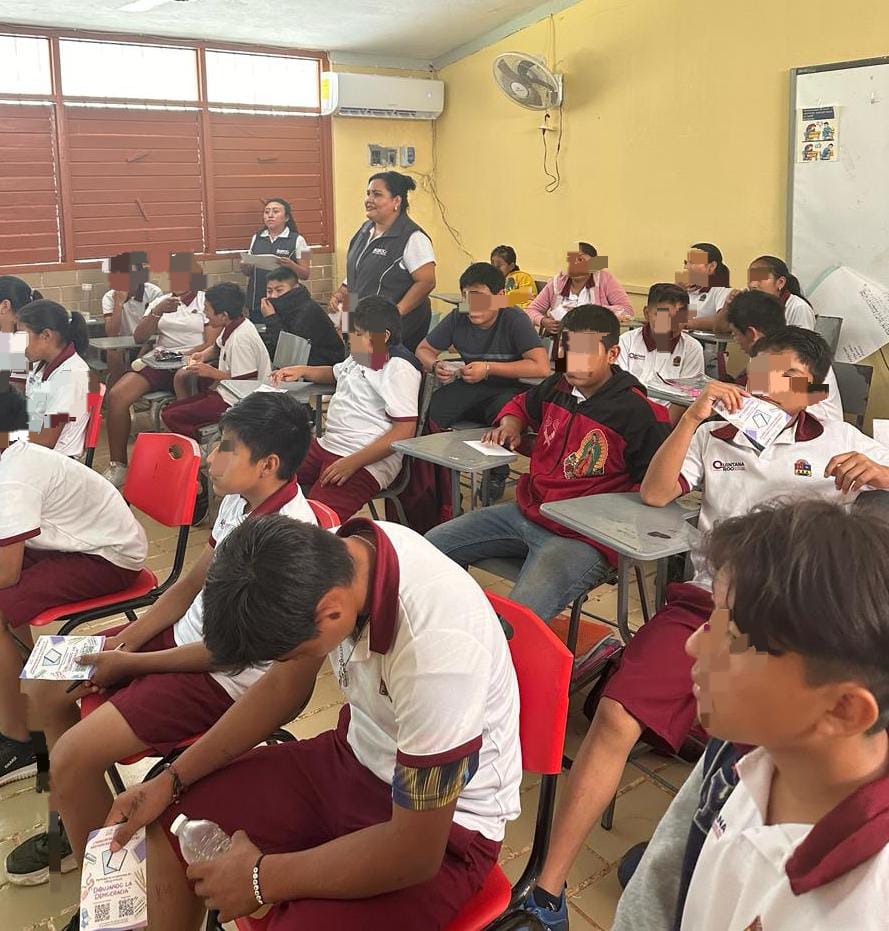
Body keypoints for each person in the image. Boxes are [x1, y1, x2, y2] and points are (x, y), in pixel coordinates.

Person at [520, 325, 889, 930]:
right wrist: (691, 418)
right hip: (708, 600)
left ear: (814, 390)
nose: (767, 390)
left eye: (787, 380)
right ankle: (547, 889)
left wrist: (880, 475)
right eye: (759, 376)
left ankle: (711, 839)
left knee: (756, 750)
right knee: (615, 715)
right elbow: (655, 493)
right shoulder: (718, 432)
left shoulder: (844, 442)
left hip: (798, 622)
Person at [97, 512, 522, 930]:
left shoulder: (439, 649)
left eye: (293, 653)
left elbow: (415, 852)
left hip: (447, 829)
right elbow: (281, 689)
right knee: (170, 821)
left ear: (331, 612)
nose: (291, 662)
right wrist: (171, 779)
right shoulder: (325, 559)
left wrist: (261, 879)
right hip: (352, 759)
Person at [5, 391, 316, 886]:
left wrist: (131, 664)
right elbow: (190, 584)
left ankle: (109, 888)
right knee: (45, 682)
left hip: (223, 679)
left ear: (268, 464)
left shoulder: (288, 539)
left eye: (226, 447)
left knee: (72, 755)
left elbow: (227, 653)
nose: (210, 458)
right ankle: (73, 815)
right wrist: (128, 639)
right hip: (181, 642)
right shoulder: (241, 502)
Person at [613, 501, 889, 931]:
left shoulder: (863, 908)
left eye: (732, 637)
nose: (693, 646)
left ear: (842, 709)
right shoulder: (739, 751)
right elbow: (660, 886)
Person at [426, 305, 669, 625]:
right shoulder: (558, 386)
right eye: (565, 350)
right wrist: (511, 424)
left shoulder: (638, 413)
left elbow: (654, 489)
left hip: (582, 538)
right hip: (527, 512)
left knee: (514, 623)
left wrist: (608, 528)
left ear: (612, 354)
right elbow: (521, 405)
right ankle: (444, 626)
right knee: (428, 549)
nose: (572, 361)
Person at [0, 389, 147, 788]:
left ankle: (19, 741)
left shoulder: (15, 477)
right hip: (76, 543)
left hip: (109, 557)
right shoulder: (12, 453)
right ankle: (15, 696)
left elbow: (6, 573)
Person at [271, 296, 420, 522]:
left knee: (312, 522)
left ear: (383, 336)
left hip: (364, 459)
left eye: (358, 333)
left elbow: (404, 431)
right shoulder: (361, 354)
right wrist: (302, 370)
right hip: (328, 445)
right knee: (267, 476)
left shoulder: (398, 367)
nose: (351, 339)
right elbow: (334, 373)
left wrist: (353, 463)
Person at [416, 262, 549, 503]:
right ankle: (440, 480)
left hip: (509, 389)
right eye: (466, 297)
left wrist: (488, 368)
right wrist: (435, 365)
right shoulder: (458, 316)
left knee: (504, 415)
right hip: (471, 386)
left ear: (500, 296)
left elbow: (540, 366)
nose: (472, 305)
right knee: (432, 410)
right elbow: (423, 349)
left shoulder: (514, 318)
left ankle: (496, 472)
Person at [103, 255, 219, 488]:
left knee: (183, 392)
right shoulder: (162, 300)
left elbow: (210, 343)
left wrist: (183, 355)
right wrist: (157, 312)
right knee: (116, 395)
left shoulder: (205, 302)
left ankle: (186, 465)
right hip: (160, 362)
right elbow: (139, 337)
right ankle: (119, 465)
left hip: (192, 362)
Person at [329, 171, 436, 353]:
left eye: (377, 194)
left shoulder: (412, 237)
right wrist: (345, 319)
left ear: (396, 201)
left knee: (378, 367)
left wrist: (395, 313)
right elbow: (357, 276)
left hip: (389, 331)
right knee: (354, 367)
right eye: (368, 193)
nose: (369, 200)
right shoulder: (364, 231)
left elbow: (426, 282)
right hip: (361, 325)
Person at [161, 283, 271, 440]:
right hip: (226, 392)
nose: (204, 313)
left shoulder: (241, 339)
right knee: (170, 409)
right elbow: (217, 347)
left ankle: (195, 447)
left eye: (207, 309)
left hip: (239, 402)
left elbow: (246, 382)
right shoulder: (234, 324)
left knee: (170, 416)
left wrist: (211, 372)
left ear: (223, 315)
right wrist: (202, 355)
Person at [725, 295, 842, 421]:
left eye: (735, 334)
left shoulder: (801, 357)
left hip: (814, 423)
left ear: (751, 333)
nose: (735, 340)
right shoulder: (764, 355)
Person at [617, 283, 704, 425]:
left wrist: (660, 430)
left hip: (665, 422)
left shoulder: (692, 348)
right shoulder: (626, 341)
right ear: (647, 313)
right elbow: (618, 389)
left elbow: (684, 401)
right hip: (627, 416)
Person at [17, 300, 91, 457]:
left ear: (46, 335)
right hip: (33, 449)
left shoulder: (71, 376)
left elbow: (46, 439)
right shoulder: (41, 364)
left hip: (54, 460)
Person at [525, 242, 634, 337]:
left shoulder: (605, 279)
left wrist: (590, 312)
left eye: (581, 259)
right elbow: (531, 310)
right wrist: (543, 321)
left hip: (596, 341)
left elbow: (627, 310)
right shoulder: (557, 282)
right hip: (560, 342)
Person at [241, 197, 311, 323]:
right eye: (267, 212)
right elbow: (248, 272)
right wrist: (245, 266)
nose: (270, 215)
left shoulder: (299, 240)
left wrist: (291, 265)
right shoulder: (256, 238)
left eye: (275, 211)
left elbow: (306, 274)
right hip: (258, 301)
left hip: (285, 303)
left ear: (286, 217)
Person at [260, 266, 345, 366]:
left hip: (325, 365)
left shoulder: (307, 311)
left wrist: (271, 318)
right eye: (269, 291)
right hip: (300, 363)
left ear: (295, 288)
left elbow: (289, 355)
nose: (273, 296)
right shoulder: (281, 308)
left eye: (279, 290)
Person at [101, 251, 164, 386]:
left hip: (147, 341)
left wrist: (141, 353)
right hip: (122, 344)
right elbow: (111, 333)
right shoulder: (109, 297)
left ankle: (131, 383)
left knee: (146, 352)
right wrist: (119, 303)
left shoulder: (153, 292)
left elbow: (157, 328)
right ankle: (117, 387)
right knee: (112, 351)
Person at [746, 254, 816, 329]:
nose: (752, 285)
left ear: (780, 282)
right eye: (751, 279)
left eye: (760, 278)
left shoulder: (799, 308)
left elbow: (802, 336)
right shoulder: (751, 307)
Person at [679, 242, 734, 332]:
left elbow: (723, 323)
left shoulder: (723, 291)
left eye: (693, 262)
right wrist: (677, 291)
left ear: (712, 266)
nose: (686, 267)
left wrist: (686, 323)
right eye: (686, 263)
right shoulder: (687, 290)